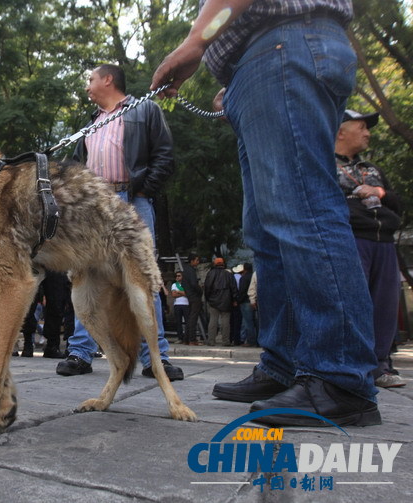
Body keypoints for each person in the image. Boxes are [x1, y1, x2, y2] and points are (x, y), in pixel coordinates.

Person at [151, 0, 381, 426]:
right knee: (266, 231)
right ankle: (286, 365)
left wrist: (195, 41)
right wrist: (236, 78)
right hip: (264, 60)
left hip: (283, 46)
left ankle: (340, 378)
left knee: (303, 212)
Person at [55, 64, 183, 381]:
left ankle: (157, 358)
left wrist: (141, 191)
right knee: (87, 277)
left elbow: (164, 155)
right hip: (94, 207)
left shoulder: (145, 110)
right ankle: (80, 353)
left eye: (91, 78)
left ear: (108, 79)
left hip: (132, 201)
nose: (88, 85)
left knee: (142, 278)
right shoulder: (90, 123)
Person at [336, 110, 405, 388]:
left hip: (384, 242)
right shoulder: (324, 165)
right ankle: (352, 364)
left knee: (386, 304)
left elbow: (398, 206)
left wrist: (381, 193)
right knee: (354, 303)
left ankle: (380, 365)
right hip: (352, 238)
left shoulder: (373, 169)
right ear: (340, 131)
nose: (368, 133)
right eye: (361, 127)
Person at [203, 257, 236, 346]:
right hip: (226, 300)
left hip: (213, 300)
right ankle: (225, 341)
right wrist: (234, 299)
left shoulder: (210, 274)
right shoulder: (228, 274)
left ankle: (211, 340)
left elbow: (207, 287)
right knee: (225, 321)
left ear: (214, 264)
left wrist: (208, 298)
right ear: (223, 264)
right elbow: (233, 288)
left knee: (213, 320)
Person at [180, 253, 205, 345]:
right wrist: (200, 290)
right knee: (193, 318)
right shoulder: (190, 271)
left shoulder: (185, 270)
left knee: (191, 317)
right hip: (194, 296)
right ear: (192, 261)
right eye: (197, 260)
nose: (198, 262)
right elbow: (194, 283)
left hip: (190, 295)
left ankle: (186, 338)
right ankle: (192, 339)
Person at [235, 263, 257, 347]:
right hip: (254, 301)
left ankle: (251, 341)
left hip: (245, 302)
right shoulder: (253, 275)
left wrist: (238, 300)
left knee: (248, 322)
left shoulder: (243, 278)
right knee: (254, 321)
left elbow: (242, 291)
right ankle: (254, 339)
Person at [170, 271, 193, 345]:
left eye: (179, 276)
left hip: (186, 304)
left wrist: (178, 292)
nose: (177, 277)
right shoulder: (174, 284)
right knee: (178, 322)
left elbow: (188, 294)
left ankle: (187, 337)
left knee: (188, 322)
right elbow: (173, 294)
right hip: (177, 304)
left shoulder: (186, 284)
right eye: (176, 276)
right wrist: (183, 293)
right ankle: (180, 337)